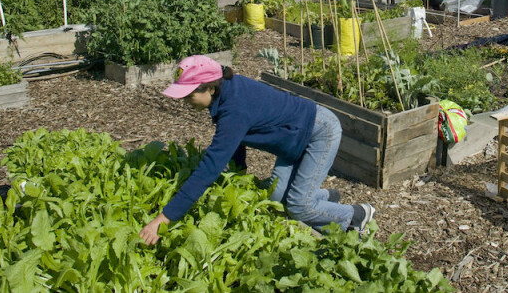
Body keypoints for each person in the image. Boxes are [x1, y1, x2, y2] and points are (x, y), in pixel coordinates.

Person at [139, 55, 376, 245]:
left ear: (210, 88)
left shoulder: (234, 109)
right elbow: (238, 139)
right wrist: (239, 171)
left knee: (297, 207)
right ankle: (324, 197)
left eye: (189, 95)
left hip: (318, 132)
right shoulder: (227, 89)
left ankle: (356, 215)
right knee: (275, 198)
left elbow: (209, 168)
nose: (185, 102)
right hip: (293, 138)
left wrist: (164, 218)